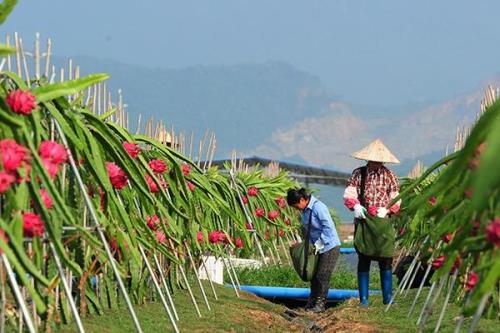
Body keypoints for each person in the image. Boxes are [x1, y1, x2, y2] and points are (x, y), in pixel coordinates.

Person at [343, 139, 401, 306]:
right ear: (368, 159)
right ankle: (364, 299)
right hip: (364, 219)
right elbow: (349, 194)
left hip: (383, 221)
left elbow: (396, 199)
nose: (376, 163)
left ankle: (388, 298)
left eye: (379, 160)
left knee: (386, 258)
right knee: (364, 257)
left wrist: (388, 210)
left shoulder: (390, 176)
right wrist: (355, 206)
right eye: (373, 160)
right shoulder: (358, 174)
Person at [287, 188, 341, 312]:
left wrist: (320, 243)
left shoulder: (318, 207)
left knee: (323, 274)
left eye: (296, 206)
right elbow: (309, 230)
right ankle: (312, 302)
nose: (297, 209)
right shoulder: (305, 211)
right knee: (314, 275)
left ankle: (320, 304)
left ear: (302, 199)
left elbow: (328, 227)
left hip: (329, 246)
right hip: (316, 246)